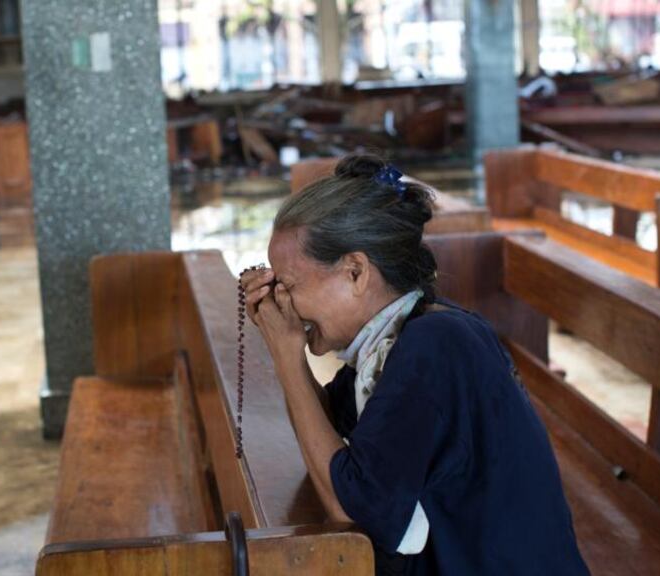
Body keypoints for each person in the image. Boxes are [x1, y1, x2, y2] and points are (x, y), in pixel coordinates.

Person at [242, 154, 589, 575]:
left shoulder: (435, 346)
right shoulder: (403, 331)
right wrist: (285, 348)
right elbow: (329, 428)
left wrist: (286, 355)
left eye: (289, 285)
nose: (284, 301)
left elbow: (353, 508)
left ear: (355, 271)